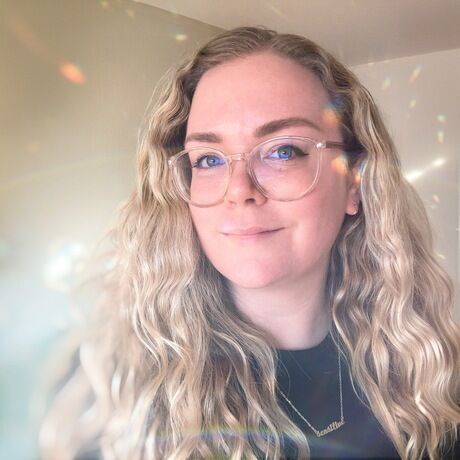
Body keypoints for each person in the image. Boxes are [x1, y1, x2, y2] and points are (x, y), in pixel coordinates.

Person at [39, 26, 459, 460]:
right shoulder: (109, 395)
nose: (239, 190)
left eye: (283, 151)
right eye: (209, 159)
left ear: (355, 181)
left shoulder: (430, 373)